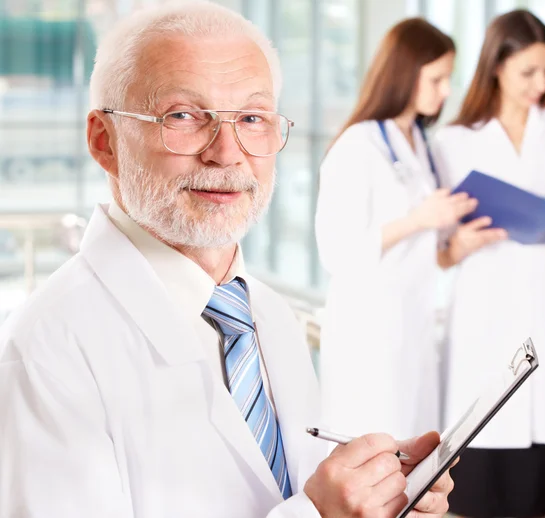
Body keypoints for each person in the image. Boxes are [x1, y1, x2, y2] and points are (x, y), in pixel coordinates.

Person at [0, 3, 455, 518]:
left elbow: (281, 492)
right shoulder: (45, 353)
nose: (226, 152)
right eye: (183, 116)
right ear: (105, 142)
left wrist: (376, 499)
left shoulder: (265, 313)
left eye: (252, 118)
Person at [432, 9, 545, 518]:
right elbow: (437, 248)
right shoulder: (454, 141)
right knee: (474, 483)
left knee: (536, 490)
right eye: (529, 71)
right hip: (485, 312)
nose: (541, 83)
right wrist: (458, 244)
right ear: (496, 67)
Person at [315, 18, 485, 441]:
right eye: (437, 79)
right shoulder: (358, 146)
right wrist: (419, 220)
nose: (446, 91)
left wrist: (456, 247)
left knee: (415, 457)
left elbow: (427, 252)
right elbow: (336, 254)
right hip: (370, 332)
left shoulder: (421, 144)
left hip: (416, 326)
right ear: (405, 73)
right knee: (373, 458)